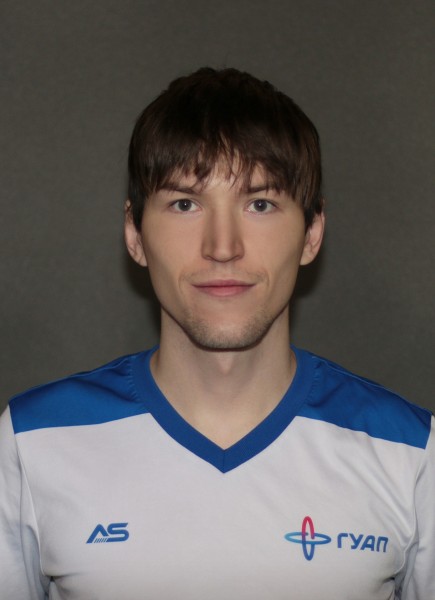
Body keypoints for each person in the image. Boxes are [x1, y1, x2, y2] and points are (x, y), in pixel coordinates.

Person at [0, 67, 433, 600]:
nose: (223, 246)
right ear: (135, 234)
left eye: (260, 204)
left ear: (312, 233)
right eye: (185, 204)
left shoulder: (411, 452)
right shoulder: (32, 442)